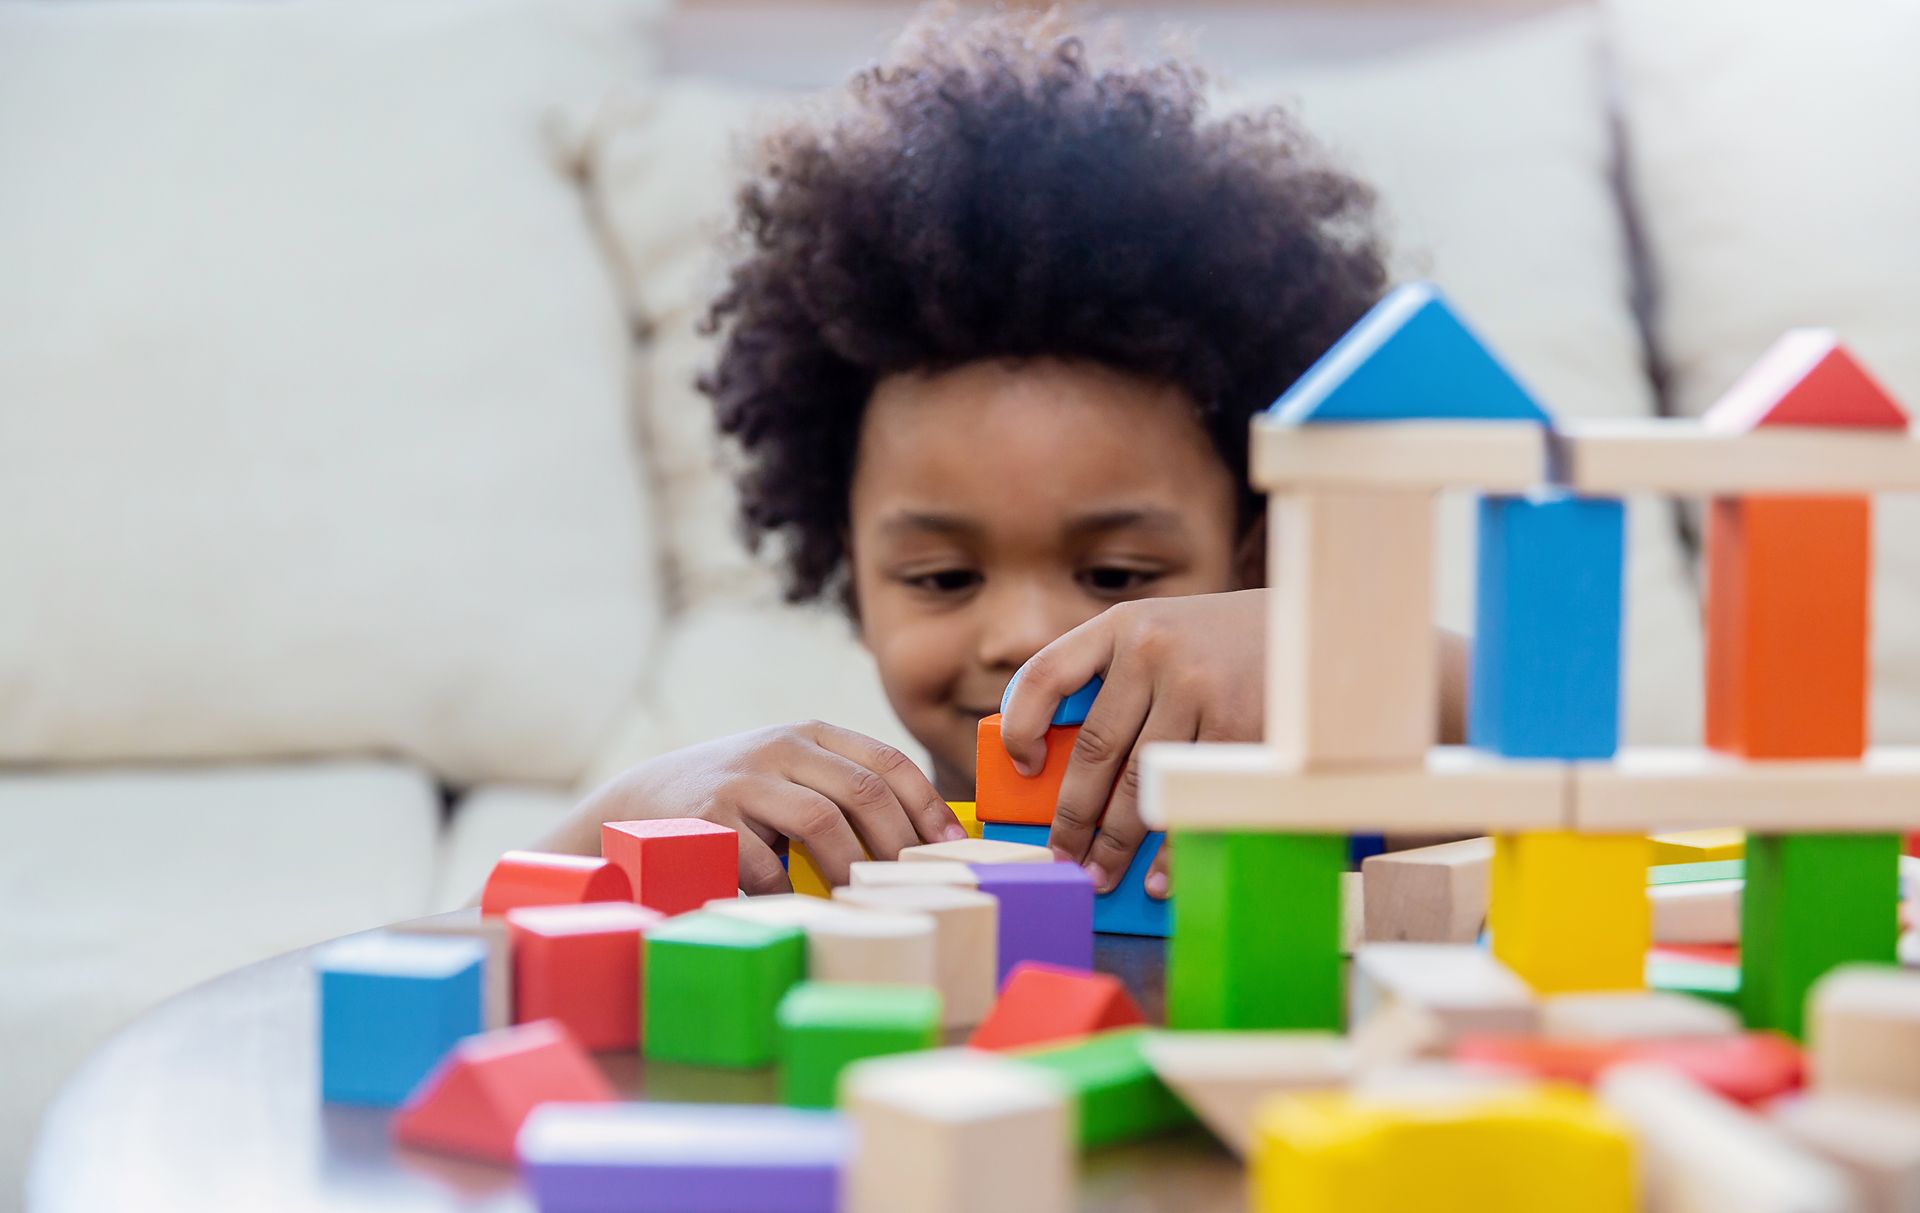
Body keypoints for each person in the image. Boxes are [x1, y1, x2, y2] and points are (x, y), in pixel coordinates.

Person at [535, 6, 1466, 899]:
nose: (1027, 638)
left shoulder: (1340, 807)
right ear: (853, 579)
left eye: (1115, 571)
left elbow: (1575, 769)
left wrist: (1342, 655)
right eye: (942, 577)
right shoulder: (807, 843)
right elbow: (460, 951)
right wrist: (620, 820)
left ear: (1251, 562)